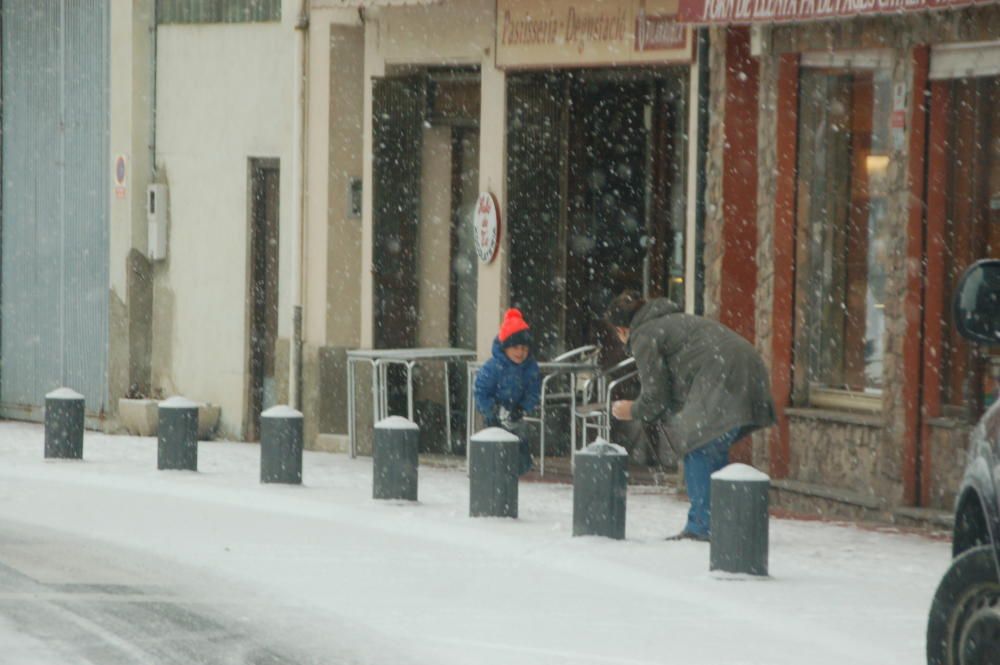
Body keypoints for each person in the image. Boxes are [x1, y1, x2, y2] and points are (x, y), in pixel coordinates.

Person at [606, 290, 775, 541]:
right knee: (711, 446)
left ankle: (703, 525)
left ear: (621, 329)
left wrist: (631, 409)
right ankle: (722, 520)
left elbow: (656, 395)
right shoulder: (669, 321)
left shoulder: (644, 335)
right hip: (748, 365)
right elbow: (676, 384)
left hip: (722, 372)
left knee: (698, 444)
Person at [474, 308, 541, 476]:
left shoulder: (530, 368)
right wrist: (492, 409)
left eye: (524, 348)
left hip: (516, 414)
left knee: (520, 445)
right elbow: (481, 391)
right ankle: (494, 475)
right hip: (493, 416)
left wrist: (523, 408)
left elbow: (533, 393)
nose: (520, 353)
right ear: (505, 348)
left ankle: (518, 472)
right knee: (495, 449)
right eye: (516, 347)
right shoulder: (493, 367)